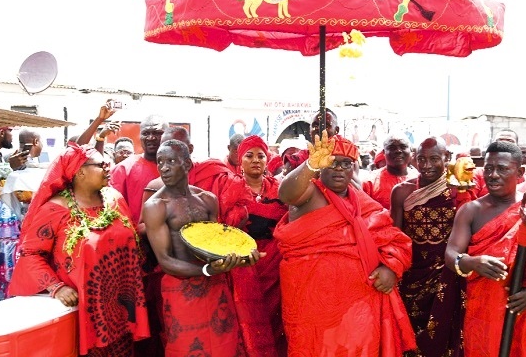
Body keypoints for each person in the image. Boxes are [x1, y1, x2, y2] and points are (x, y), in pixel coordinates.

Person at [274, 130, 416, 355]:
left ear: (354, 169)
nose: (339, 169)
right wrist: (310, 164)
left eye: (346, 164)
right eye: (332, 163)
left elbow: (395, 240)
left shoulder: (362, 201)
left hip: (359, 306)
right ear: (321, 166)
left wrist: (390, 268)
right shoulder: (309, 192)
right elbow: (286, 194)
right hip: (312, 306)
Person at [8, 143, 149, 356]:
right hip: (83, 310)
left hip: (122, 306)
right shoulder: (55, 209)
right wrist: (56, 287)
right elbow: (31, 253)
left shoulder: (114, 199)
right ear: (80, 172)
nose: (108, 167)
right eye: (101, 165)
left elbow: (130, 237)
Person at [445, 141, 526, 357]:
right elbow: (451, 253)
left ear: (520, 173)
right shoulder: (471, 210)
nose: (493, 175)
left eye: (502, 169)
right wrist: (470, 262)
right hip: (486, 308)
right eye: (489, 168)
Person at [141, 139, 263, 357]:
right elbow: (165, 260)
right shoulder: (156, 206)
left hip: (215, 287)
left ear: (187, 164)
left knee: (224, 348)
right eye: (160, 162)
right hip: (180, 289)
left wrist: (244, 258)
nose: (164, 167)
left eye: (171, 161)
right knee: (187, 350)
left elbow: (214, 245)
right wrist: (206, 270)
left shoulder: (207, 200)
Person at [390, 137, 466, 357]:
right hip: (413, 272)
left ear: (447, 158)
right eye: (421, 159)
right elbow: (395, 234)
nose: (426, 165)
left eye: (434, 159)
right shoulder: (401, 191)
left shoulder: (458, 190)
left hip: (448, 272)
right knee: (411, 331)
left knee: (445, 329)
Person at [109, 114, 169, 356]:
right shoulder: (124, 169)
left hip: (171, 260)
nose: (152, 138)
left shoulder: (177, 167)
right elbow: (112, 213)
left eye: (157, 133)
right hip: (137, 259)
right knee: (140, 323)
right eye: (147, 133)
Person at [232, 135, 288, 356]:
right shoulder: (231, 188)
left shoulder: (281, 190)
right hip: (243, 266)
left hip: (275, 266)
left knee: (276, 319)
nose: (256, 160)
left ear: (267, 160)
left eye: (261, 155)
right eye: (249, 155)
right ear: (240, 160)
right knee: (248, 319)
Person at [362, 132, 418, 210]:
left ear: (410, 151)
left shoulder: (420, 179)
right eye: (392, 148)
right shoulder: (369, 183)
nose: (398, 151)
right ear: (384, 152)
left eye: (403, 146)